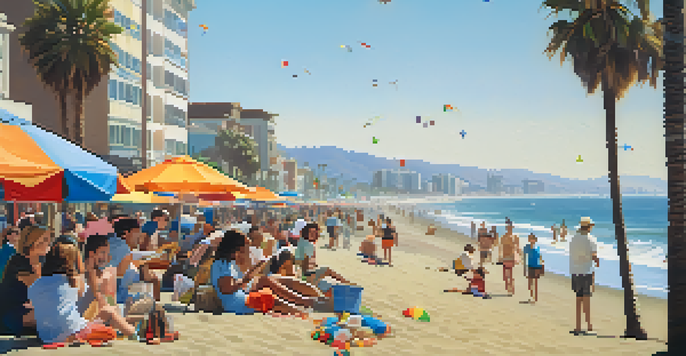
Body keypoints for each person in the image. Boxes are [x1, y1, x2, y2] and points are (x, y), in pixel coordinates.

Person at [27, 242, 135, 344]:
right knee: (110, 318)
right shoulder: (73, 281)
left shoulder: (35, 285)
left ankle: (129, 329)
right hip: (72, 333)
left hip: (46, 336)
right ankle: (133, 333)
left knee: (103, 314)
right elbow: (93, 297)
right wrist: (90, 270)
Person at [211, 230, 313, 314]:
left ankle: (301, 308)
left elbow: (231, 285)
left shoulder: (225, 263)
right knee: (270, 299)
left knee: (270, 295)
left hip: (240, 299)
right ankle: (301, 310)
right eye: (240, 250)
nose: (241, 252)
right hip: (237, 303)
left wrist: (253, 270)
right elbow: (226, 289)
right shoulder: (222, 264)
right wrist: (244, 280)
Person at [0, 226, 52, 336]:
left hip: (28, 309)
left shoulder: (41, 261)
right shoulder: (18, 261)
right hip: (12, 312)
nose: (48, 243)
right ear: (32, 241)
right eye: (44, 240)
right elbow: (40, 288)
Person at [569, 217, 600, 336]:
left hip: (575, 271)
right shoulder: (590, 239)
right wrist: (597, 261)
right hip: (586, 271)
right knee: (586, 298)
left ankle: (577, 326)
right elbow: (594, 255)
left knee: (578, 299)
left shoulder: (573, 239)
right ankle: (589, 325)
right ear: (589, 227)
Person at [523, 233, 544, 303]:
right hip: (530, 266)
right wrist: (524, 268)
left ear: (535, 240)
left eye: (533, 238)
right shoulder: (527, 247)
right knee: (530, 283)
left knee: (535, 282)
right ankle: (532, 295)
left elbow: (540, 257)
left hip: (537, 266)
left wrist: (542, 266)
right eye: (530, 238)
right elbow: (524, 257)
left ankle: (535, 297)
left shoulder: (538, 247)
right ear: (529, 240)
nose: (532, 240)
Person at [500, 219, 520, 295]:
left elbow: (517, 247)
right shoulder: (503, 237)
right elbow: (501, 247)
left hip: (511, 256)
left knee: (510, 273)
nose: (509, 229)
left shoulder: (515, 237)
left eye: (510, 227)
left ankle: (511, 288)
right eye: (507, 227)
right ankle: (508, 285)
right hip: (505, 256)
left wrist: (519, 256)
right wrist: (500, 255)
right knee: (505, 275)